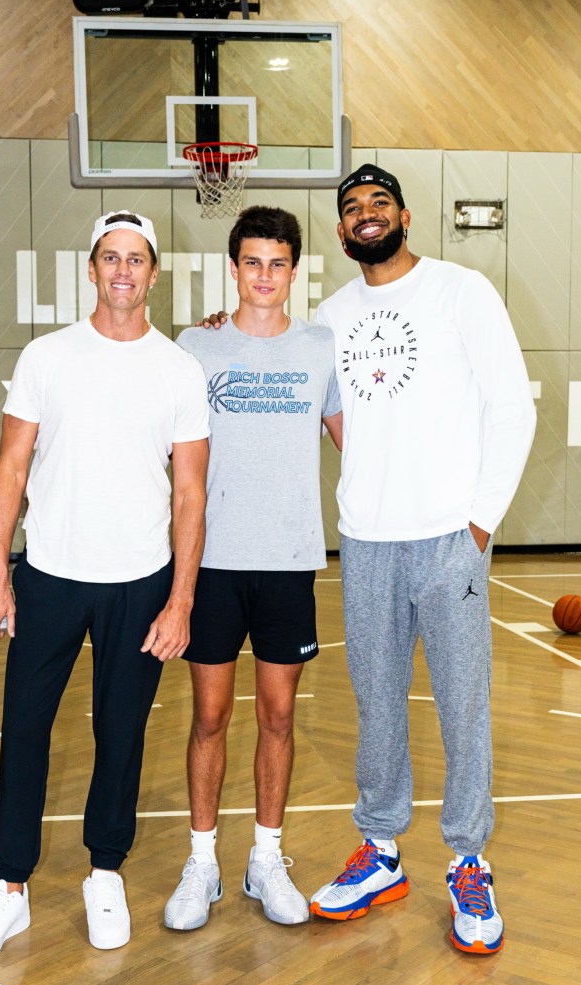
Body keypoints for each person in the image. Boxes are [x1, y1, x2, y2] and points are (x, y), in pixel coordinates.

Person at [0, 211, 210, 963]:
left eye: (136, 259)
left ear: (154, 274)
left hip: (140, 581)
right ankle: (8, 890)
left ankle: (106, 871)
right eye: (110, 257)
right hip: (51, 577)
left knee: (120, 735)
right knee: (26, 731)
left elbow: (190, 493)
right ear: (91, 269)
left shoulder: (178, 369)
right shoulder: (48, 357)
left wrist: (182, 599)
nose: (123, 271)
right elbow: (10, 467)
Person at [307, 164, 536, 954]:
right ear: (341, 233)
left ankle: (469, 860)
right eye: (351, 209)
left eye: (378, 203)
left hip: (450, 538)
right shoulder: (327, 317)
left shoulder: (461, 291)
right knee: (376, 702)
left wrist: (478, 525)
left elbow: (513, 405)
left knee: (463, 703)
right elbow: (319, 407)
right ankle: (382, 850)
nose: (366, 216)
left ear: (405, 215)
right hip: (367, 540)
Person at [163, 206, 342, 932]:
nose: (264, 275)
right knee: (208, 717)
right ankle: (201, 861)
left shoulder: (322, 348)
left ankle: (265, 857)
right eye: (252, 262)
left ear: (293, 271)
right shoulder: (193, 348)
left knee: (277, 716)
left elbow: (355, 441)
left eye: (277, 263)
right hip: (209, 565)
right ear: (232, 268)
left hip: (289, 561)